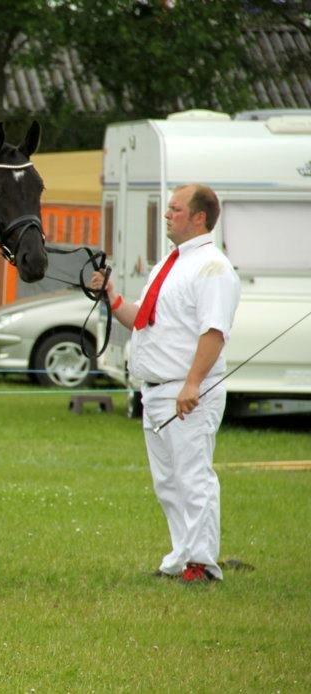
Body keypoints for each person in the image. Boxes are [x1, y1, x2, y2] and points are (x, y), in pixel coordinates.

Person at [90, 183, 240, 583]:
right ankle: (180, 557)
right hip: (155, 389)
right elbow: (144, 318)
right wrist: (112, 297)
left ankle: (203, 563)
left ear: (199, 217)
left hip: (185, 389)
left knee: (193, 476)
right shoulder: (169, 263)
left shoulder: (213, 267)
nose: (167, 214)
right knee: (168, 483)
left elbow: (214, 331)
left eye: (175, 209)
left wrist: (193, 384)